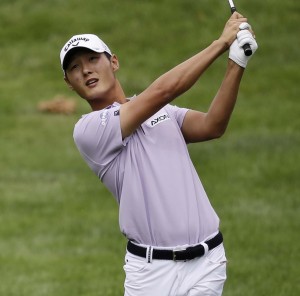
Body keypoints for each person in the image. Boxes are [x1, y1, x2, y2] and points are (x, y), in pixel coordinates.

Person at [59, 12, 257, 296]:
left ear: (113, 62)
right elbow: (164, 90)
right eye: (75, 67)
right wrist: (220, 43)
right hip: (151, 274)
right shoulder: (89, 131)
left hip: (207, 262)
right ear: (68, 82)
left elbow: (212, 125)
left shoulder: (161, 112)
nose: (86, 70)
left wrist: (237, 62)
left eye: (92, 59)